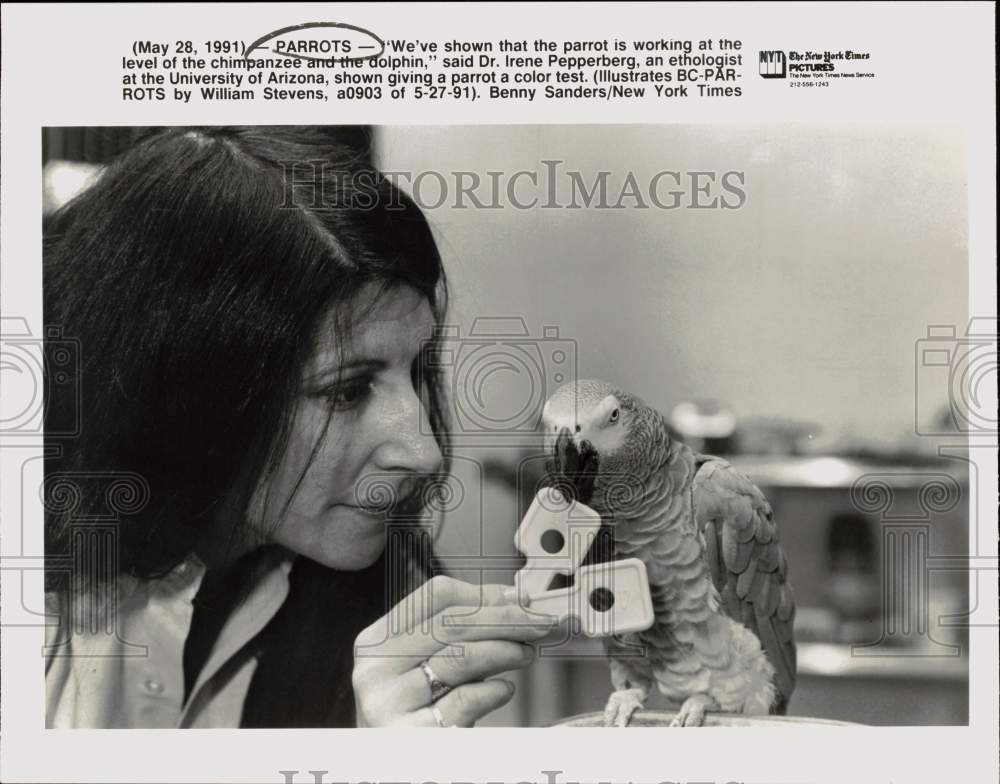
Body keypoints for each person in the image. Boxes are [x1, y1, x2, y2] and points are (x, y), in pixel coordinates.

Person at [42, 126, 555, 728]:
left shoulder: (389, 592)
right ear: (194, 394)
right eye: (346, 389)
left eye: (415, 371)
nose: (425, 453)